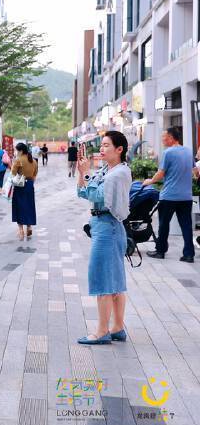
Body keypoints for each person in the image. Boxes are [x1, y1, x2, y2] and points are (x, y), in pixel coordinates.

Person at [76, 131, 132, 345]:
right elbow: (83, 193)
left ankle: (101, 331)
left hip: (108, 228)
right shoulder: (107, 170)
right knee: (116, 282)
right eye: (102, 145)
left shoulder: (118, 173)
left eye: (107, 145)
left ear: (119, 150)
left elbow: (97, 196)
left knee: (102, 280)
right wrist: (83, 174)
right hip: (105, 226)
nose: (102, 148)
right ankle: (117, 327)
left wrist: (87, 173)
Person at [145, 127, 196, 262]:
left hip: (169, 196)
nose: (162, 140)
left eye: (164, 137)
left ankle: (160, 251)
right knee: (186, 225)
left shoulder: (168, 153)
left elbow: (160, 173)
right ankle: (189, 254)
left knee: (164, 224)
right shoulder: (188, 151)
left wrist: (149, 181)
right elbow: (195, 172)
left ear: (172, 138)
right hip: (186, 197)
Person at [11, 142, 38, 240]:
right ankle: (29, 226)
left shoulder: (18, 160)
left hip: (20, 185)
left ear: (20, 151)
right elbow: (35, 174)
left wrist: (14, 163)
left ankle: (21, 230)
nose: (16, 152)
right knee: (29, 206)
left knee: (19, 207)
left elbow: (13, 173)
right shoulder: (34, 161)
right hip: (30, 185)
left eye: (16, 150)